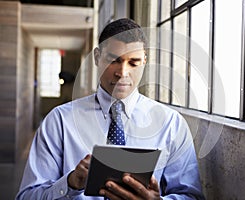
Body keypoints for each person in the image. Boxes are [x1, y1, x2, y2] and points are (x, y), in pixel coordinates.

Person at [16, 18, 205, 200]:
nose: (122, 72)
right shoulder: (59, 121)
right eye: (113, 60)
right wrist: (70, 183)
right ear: (97, 57)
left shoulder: (171, 123)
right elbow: (27, 196)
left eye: (133, 62)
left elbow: (191, 196)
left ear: (145, 60)